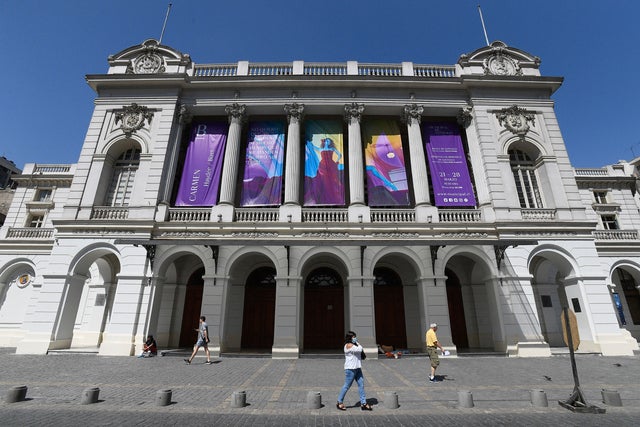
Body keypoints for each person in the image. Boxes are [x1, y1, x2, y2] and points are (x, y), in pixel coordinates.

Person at [336, 330, 372, 411]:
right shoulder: (348, 345)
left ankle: (363, 403)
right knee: (347, 386)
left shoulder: (353, 345)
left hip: (357, 368)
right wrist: (357, 342)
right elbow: (360, 349)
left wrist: (356, 342)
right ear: (350, 338)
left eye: (355, 337)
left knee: (361, 385)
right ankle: (339, 402)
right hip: (350, 369)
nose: (355, 338)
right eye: (354, 337)